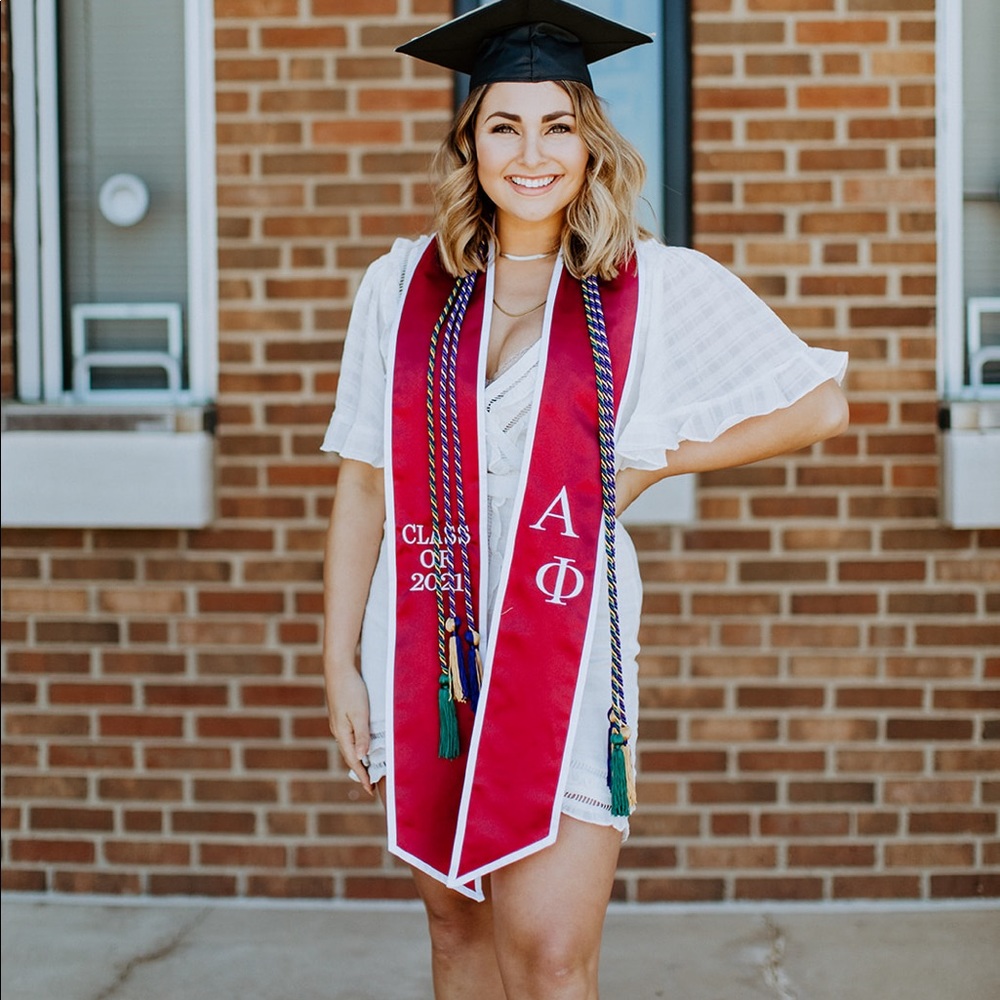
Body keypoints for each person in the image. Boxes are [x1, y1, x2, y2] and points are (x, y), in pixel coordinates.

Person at [321, 1, 849, 996]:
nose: (531, 151)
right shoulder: (400, 287)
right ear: (469, 144)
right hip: (421, 641)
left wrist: (646, 466)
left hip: (562, 646)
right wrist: (335, 663)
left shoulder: (649, 286)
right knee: (455, 933)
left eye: (556, 124)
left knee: (553, 957)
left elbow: (818, 405)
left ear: (589, 141)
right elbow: (361, 481)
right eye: (503, 125)